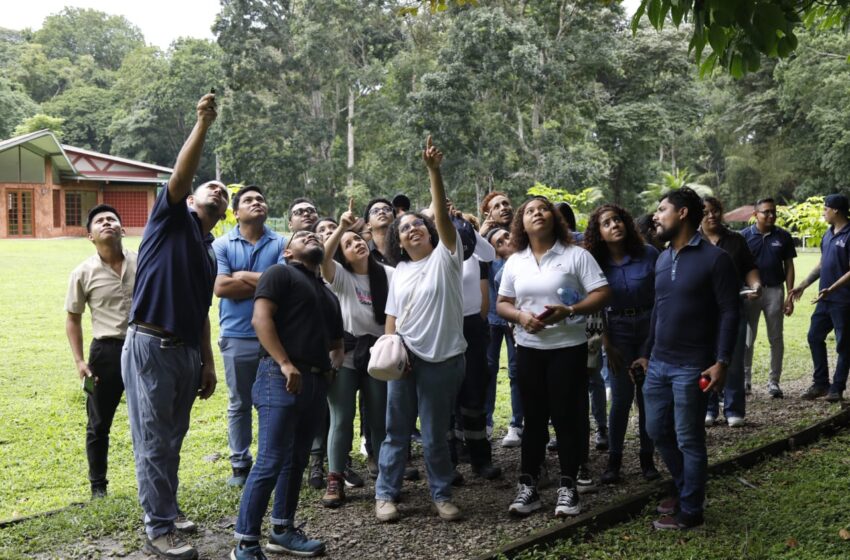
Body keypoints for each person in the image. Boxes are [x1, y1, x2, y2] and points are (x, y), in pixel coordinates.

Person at [123, 93, 225, 559]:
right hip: (150, 344)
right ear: (192, 196)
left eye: (226, 193)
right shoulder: (170, 218)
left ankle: (167, 506)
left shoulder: (207, 251)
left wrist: (206, 362)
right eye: (212, 188)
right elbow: (181, 177)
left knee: (172, 437)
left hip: (184, 351)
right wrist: (202, 123)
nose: (219, 192)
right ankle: (159, 527)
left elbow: (202, 309)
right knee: (153, 439)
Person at [231, 229, 343, 560]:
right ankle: (245, 544)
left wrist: (330, 370)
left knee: (295, 461)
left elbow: (337, 345)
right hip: (279, 377)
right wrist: (284, 363)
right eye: (302, 235)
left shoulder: (328, 295)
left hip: (314, 383)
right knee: (270, 460)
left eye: (315, 236)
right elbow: (260, 318)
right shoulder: (279, 273)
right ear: (288, 253)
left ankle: (282, 530)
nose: (312, 237)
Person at [632, 187, 739, 530]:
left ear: (682, 214)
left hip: (693, 365)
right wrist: (646, 353)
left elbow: (729, 312)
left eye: (662, 209)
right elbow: (657, 312)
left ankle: (691, 510)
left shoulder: (715, 259)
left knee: (689, 437)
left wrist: (722, 361)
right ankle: (687, 489)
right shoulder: (663, 258)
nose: (655, 215)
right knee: (655, 430)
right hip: (659, 364)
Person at [497, 196, 611, 518]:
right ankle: (529, 485)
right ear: (522, 222)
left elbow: (603, 293)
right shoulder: (516, 261)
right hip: (529, 349)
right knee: (533, 419)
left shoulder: (576, 255)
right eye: (530, 210)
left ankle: (568, 487)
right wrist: (520, 317)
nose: (537, 214)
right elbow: (502, 302)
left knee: (566, 417)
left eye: (543, 209)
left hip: (568, 348)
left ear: (554, 218)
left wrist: (570, 311)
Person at [374, 136, 466, 523]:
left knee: (433, 434)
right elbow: (392, 318)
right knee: (395, 432)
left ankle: (441, 495)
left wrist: (434, 171)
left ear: (430, 232)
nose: (412, 229)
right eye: (404, 228)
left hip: (444, 360)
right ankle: (385, 495)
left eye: (418, 224)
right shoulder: (401, 272)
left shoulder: (447, 257)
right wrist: (394, 351)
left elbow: (442, 217)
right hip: (406, 361)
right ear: (397, 240)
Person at [318, 200, 392, 508]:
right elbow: (323, 258)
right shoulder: (341, 278)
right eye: (348, 244)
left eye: (357, 239)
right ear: (342, 255)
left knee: (378, 417)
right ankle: (335, 478)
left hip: (379, 354)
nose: (356, 244)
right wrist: (341, 229)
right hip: (346, 354)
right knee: (342, 417)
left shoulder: (387, 273)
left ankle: (383, 470)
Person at [213, 185, 286, 488]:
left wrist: (240, 275)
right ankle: (240, 463)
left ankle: (273, 459)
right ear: (236, 211)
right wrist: (267, 280)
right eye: (249, 200)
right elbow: (220, 288)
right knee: (239, 402)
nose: (257, 202)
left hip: (276, 338)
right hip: (236, 336)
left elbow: (284, 285)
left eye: (260, 198)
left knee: (273, 401)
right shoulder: (221, 245)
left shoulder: (281, 242)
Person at [583, 204, 660, 484]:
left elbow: (661, 298)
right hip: (616, 334)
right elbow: (594, 309)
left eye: (617, 219)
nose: (614, 225)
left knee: (647, 396)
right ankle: (614, 461)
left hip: (649, 330)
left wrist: (653, 343)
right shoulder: (595, 263)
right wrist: (606, 344)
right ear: (599, 233)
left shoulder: (649, 254)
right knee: (621, 399)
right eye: (606, 223)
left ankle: (647, 458)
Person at [65, 204, 137, 499]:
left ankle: (150, 480)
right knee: (98, 422)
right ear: (90, 236)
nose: (107, 222)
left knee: (148, 419)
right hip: (104, 353)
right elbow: (73, 317)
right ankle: (98, 486)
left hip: (142, 347)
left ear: (122, 229)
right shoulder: (82, 272)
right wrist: (80, 360)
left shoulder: (143, 260)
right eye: (99, 221)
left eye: (112, 219)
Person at [700, 196, 761, 428]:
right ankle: (708, 407)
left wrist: (755, 285)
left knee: (733, 359)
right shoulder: (693, 240)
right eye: (705, 212)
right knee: (705, 358)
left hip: (733, 307)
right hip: (702, 310)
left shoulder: (735, 240)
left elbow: (750, 268)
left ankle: (734, 408)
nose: (711, 215)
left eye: (715, 210)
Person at [789, 194, 850, 402]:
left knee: (844, 344)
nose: (823, 212)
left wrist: (832, 288)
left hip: (843, 299)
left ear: (836, 210)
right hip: (825, 299)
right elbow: (823, 264)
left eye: (825, 209)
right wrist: (803, 285)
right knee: (814, 336)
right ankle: (821, 383)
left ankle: (837, 387)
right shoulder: (828, 234)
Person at [740, 198, 797, 398]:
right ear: (755, 214)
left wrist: (789, 295)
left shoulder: (783, 236)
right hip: (751, 293)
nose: (771, 215)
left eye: (773, 212)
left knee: (776, 338)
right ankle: (745, 381)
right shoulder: (743, 237)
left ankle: (774, 383)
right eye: (766, 212)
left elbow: (789, 266)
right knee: (748, 338)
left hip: (775, 291)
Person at [483, 226, 523, 448]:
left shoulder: (523, 258)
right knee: (489, 370)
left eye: (508, 236)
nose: (506, 241)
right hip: (492, 319)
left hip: (516, 320)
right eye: (499, 242)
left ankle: (516, 424)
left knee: (516, 371)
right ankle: (486, 423)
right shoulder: (490, 264)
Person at [363, 197, 394, 264]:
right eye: (375, 211)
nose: (381, 212)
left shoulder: (404, 246)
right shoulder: (363, 251)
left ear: (394, 220)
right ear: (368, 225)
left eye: (386, 209)